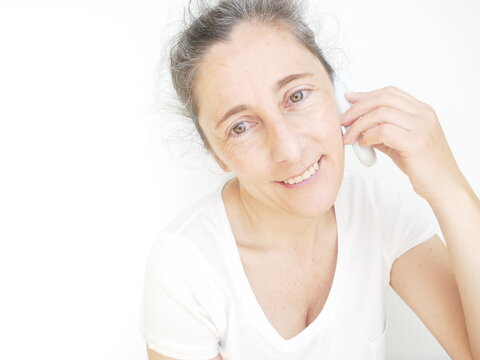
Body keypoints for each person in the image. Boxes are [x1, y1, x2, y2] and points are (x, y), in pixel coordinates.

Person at [140, 0, 480, 359]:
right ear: (216, 153)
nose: (288, 149)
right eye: (241, 126)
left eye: (296, 96)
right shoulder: (184, 267)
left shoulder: (379, 209)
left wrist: (449, 188)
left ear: (335, 92)